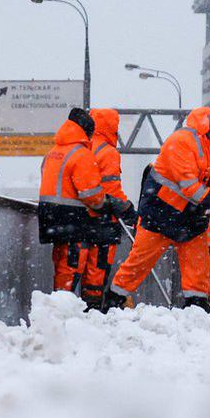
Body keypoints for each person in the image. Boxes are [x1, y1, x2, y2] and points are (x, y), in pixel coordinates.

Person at [106, 99, 210, 311]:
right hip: (161, 213)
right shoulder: (182, 141)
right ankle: (113, 302)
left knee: (198, 270)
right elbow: (189, 186)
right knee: (138, 263)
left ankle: (196, 309)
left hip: (192, 217)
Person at [37, 108, 105, 295]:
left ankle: (57, 298)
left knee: (60, 261)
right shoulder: (82, 154)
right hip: (71, 217)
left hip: (49, 215)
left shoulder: (53, 152)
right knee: (72, 263)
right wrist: (104, 204)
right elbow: (91, 194)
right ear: (87, 131)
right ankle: (62, 302)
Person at [80, 108, 137, 311]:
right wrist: (128, 210)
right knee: (98, 267)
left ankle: (82, 305)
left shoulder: (84, 146)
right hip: (103, 220)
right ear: (111, 127)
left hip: (81, 217)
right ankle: (94, 308)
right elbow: (111, 189)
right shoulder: (108, 152)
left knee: (82, 267)